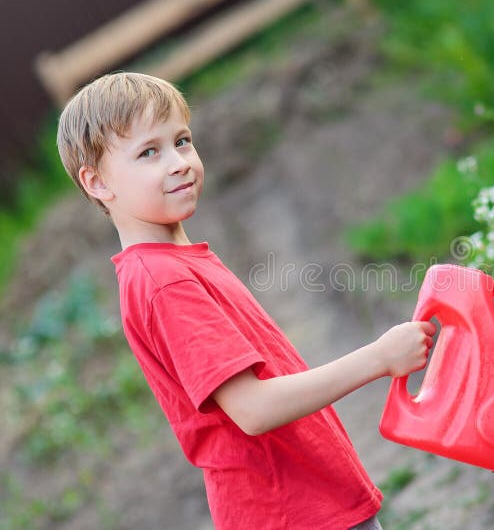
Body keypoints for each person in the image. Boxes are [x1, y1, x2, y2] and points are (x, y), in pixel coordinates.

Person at [56, 72, 435, 529]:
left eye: (181, 140)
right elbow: (253, 410)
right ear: (97, 183)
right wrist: (379, 358)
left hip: (306, 501)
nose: (178, 162)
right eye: (148, 153)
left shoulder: (173, 265)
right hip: (291, 511)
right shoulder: (163, 281)